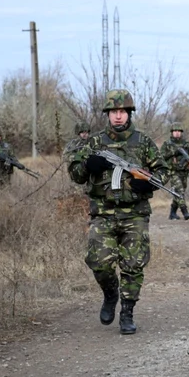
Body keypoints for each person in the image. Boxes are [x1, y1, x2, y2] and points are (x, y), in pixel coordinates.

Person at [67, 89, 169, 335]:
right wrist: (88, 165)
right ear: (108, 115)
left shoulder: (142, 142)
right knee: (99, 262)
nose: (119, 116)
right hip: (103, 212)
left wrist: (148, 182)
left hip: (135, 213)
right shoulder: (94, 142)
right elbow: (76, 175)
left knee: (133, 264)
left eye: (123, 111)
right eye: (114, 112)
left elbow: (163, 171)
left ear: (129, 113)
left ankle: (127, 312)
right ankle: (110, 293)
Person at [160, 122, 189, 220]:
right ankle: (185, 212)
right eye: (175, 131)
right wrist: (173, 152)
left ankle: (172, 213)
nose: (177, 133)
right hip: (173, 171)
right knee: (180, 191)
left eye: (179, 131)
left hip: (184, 172)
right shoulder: (167, 144)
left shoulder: (185, 143)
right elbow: (161, 157)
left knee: (178, 193)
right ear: (172, 132)